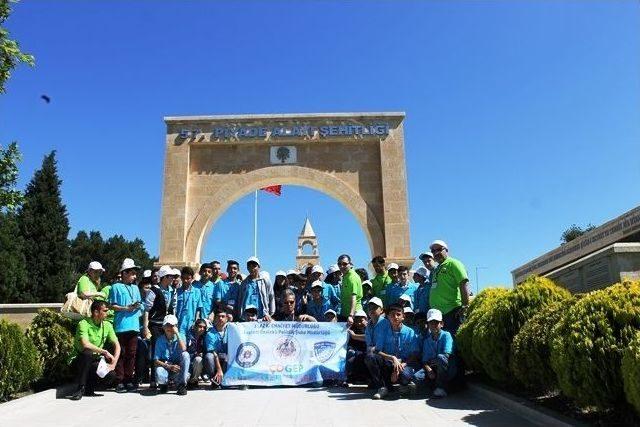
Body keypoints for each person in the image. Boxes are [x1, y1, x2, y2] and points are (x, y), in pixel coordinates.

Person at [366, 303, 420, 400]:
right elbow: (377, 350)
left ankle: (404, 385)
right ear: (387, 317)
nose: (395, 317)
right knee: (371, 357)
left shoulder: (410, 332)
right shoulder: (383, 330)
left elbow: (415, 354)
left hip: (404, 363)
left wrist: (401, 365)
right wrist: (392, 358)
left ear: (403, 316)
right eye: (392, 314)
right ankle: (383, 387)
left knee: (405, 375)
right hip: (388, 362)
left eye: (398, 314)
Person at [69, 300, 121, 400]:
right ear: (96, 312)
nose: (108, 313)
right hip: (79, 360)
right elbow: (85, 344)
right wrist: (104, 351)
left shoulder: (107, 325)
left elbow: (117, 345)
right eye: (105, 311)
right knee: (88, 353)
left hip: (94, 360)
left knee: (111, 375)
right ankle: (80, 388)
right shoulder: (83, 323)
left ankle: (90, 387)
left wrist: (113, 364)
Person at [109, 258, 143, 393]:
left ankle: (129, 379)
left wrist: (136, 306)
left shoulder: (135, 288)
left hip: (134, 325)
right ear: (124, 273)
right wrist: (125, 308)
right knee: (121, 353)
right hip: (121, 325)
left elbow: (140, 303)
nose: (134, 276)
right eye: (132, 273)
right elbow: (111, 305)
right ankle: (119, 380)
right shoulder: (115, 287)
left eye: (135, 274)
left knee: (132, 354)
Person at [142, 264, 176, 388]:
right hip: (156, 324)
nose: (172, 278)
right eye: (169, 276)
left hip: (167, 325)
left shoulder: (172, 290)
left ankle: (165, 378)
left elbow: (172, 309)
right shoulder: (154, 290)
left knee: (168, 350)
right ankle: (153, 379)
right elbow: (146, 309)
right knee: (156, 351)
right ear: (163, 277)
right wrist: (145, 327)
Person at [428, 240, 469, 335]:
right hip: (438, 315)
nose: (436, 253)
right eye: (433, 251)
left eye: (438, 249)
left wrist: (465, 306)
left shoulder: (454, 263)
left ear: (446, 250)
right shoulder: (437, 268)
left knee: (454, 342)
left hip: (452, 312)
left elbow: (464, 283)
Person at [414, 309, 456, 398]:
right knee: (417, 377)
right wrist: (428, 369)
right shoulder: (427, 340)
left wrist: (431, 362)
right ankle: (435, 386)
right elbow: (425, 361)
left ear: (442, 324)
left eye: (436, 323)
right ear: (428, 324)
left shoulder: (446, 335)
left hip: (448, 367)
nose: (433, 325)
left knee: (441, 358)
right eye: (431, 323)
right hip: (434, 368)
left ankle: (441, 387)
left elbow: (446, 355)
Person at [154, 314, 190, 395]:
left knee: (186, 355)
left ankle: (182, 385)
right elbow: (156, 360)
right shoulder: (160, 340)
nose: (169, 327)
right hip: (166, 367)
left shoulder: (181, 336)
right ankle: (164, 385)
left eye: (172, 325)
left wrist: (177, 333)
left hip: (178, 369)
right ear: (163, 327)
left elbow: (184, 349)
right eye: (167, 325)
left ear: (176, 326)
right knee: (159, 371)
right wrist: (168, 366)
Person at [175, 267, 203, 339]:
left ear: (192, 278)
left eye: (188, 278)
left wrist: (196, 322)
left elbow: (198, 309)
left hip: (191, 324)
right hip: (179, 324)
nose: (185, 280)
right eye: (183, 278)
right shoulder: (177, 292)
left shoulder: (197, 291)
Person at [204, 308, 228, 389]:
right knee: (208, 356)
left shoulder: (231, 330)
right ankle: (215, 380)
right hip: (216, 356)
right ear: (214, 319)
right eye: (218, 316)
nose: (220, 318)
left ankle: (226, 380)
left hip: (227, 357)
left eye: (223, 316)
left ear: (226, 318)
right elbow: (213, 353)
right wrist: (219, 370)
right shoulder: (210, 333)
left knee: (228, 357)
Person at [337, 254, 363, 325]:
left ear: (350, 264)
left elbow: (353, 298)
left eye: (344, 264)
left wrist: (351, 315)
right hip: (346, 314)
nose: (342, 266)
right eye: (339, 264)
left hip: (353, 316)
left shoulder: (352, 277)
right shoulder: (346, 276)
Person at [186, 319, 208, 389]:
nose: (202, 329)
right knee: (185, 379)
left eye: (204, 327)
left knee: (199, 359)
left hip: (198, 364)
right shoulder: (188, 336)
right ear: (195, 326)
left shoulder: (205, 337)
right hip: (187, 364)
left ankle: (194, 381)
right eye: (200, 326)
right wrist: (196, 354)